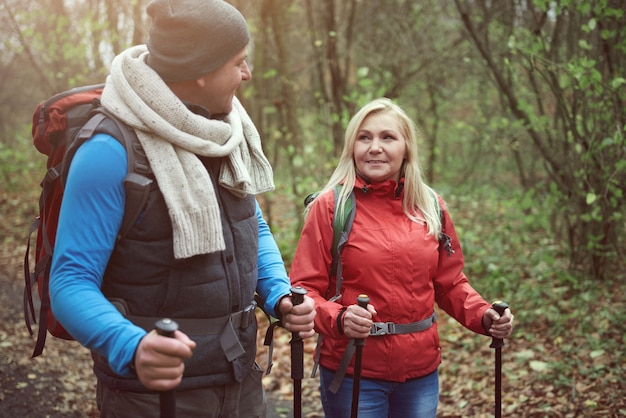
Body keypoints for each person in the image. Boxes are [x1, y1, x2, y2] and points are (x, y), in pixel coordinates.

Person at [49, 0, 316, 416]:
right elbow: (69, 281)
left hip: (241, 379)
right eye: (238, 63)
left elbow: (252, 226)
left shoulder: (223, 132)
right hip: (154, 395)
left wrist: (279, 295)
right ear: (201, 71)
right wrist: (132, 346)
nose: (246, 74)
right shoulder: (108, 151)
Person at [289, 98, 514, 418]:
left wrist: (483, 315)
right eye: (364, 138)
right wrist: (339, 318)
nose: (374, 147)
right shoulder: (331, 207)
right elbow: (303, 289)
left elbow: (450, 284)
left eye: (387, 137)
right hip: (354, 369)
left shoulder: (430, 205)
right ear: (351, 146)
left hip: (420, 374)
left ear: (407, 147)